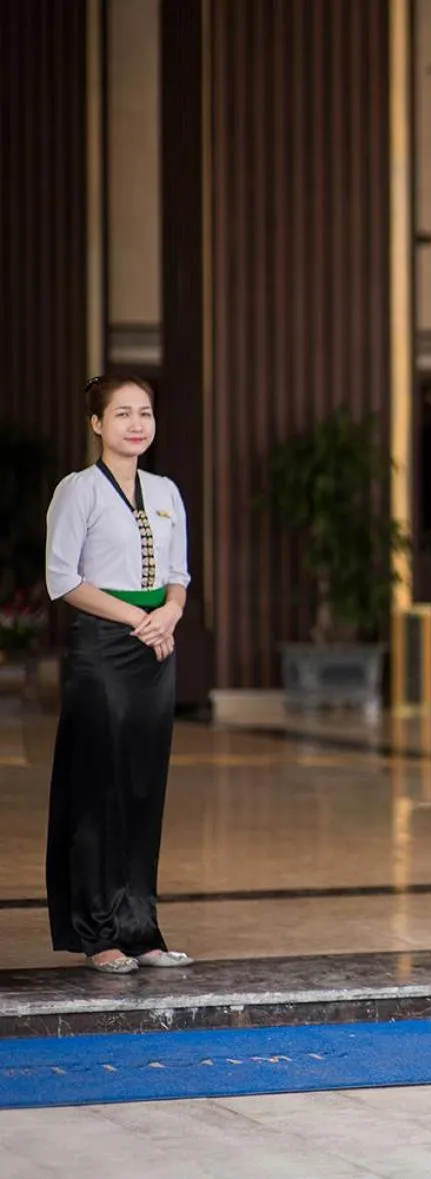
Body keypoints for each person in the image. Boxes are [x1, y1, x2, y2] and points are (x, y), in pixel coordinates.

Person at [44, 375, 193, 974]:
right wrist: (140, 616)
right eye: (123, 413)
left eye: (146, 413)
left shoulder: (165, 490)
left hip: (156, 644)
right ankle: (98, 932)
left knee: (142, 786)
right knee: (97, 789)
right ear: (97, 424)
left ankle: (141, 928)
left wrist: (171, 614)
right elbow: (63, 579)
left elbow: (179, 572)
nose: (137, 424)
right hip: (105, 643)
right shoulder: (78, 490)